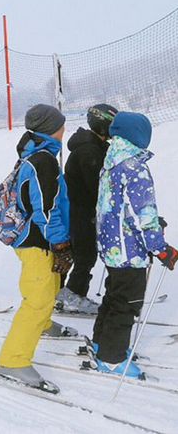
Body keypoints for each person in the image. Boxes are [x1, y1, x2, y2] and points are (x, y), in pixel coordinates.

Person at [0, 104, 75, 389]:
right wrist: (60, 242)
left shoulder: (39, 155)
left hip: (40, 240)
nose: (65, 129)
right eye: (61, 125)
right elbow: (46, 209)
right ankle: (13, 360)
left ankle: (43, 323)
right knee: (37, 298)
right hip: (36, 241)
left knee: (50, 286)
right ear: (52, 128)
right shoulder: (43, 160)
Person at [92, 112, 177, 377]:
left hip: (112, 246)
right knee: (126, 302)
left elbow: (119, 205)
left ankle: (102, 343)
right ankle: (112, 357)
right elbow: (143, 211)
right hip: (130, 251)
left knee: (113, 295)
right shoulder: (135, 167)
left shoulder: (111, 162)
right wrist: (160, 247)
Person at [57, 104, 118, 315]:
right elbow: (97, 187)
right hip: (80, 210)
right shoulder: (89, 150)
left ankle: (61, 293)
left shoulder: (96, 146)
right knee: (85, 253)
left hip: (81, 209)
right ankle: (73, 294)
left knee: (78, 252)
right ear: (103, 126)